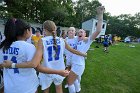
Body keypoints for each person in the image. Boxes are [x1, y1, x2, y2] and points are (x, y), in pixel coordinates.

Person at [2, 20, 87, 93]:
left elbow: (36, 61)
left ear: (45, 30)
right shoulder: (62, 40)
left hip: (46, 69)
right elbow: (73, 50)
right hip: (60, 69)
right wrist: (82, 54)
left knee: (46, 90)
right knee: (59, 89)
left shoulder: (42, 41)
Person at [67, 6, 105, 93]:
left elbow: (98, 30)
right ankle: (78, 90)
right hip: (75, 63)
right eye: (78, 32)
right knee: (75, 80)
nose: (79, 33)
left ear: (85, 34)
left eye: (82, 32)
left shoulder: (87, 41)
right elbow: (71, 35)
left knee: (69, 82)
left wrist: (100, 15)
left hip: (78, 65)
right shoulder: (77, 39)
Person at [0, 18, 39, 93]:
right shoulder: (29, 47)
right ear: (26, 31)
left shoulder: (3, 47)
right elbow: (35, 65)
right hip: (28, 87)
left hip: (10, 87)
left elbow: (1, 65)